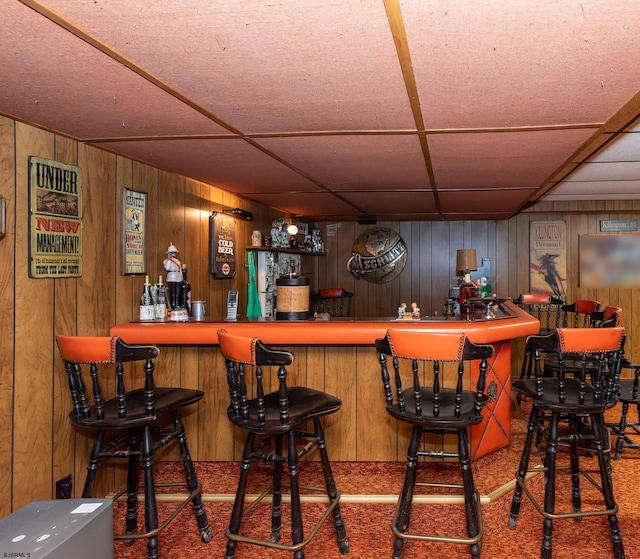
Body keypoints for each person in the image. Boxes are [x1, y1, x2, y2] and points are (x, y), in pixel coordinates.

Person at [163, 243, 183, 309]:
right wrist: (169, 260)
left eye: (174, 252)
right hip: (171, 277)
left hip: (178, 277)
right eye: (172, 252)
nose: (174, 254)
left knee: (178, 293)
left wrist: (181, 277)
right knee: (172, 293)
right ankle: (173, 306)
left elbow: (180, 270)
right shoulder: (166, 261)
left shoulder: (178, 261)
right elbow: (167, 268)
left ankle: (177, 305)